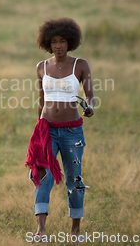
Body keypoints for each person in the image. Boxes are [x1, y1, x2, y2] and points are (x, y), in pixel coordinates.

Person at [28, 17, 95, 239]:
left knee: (74, 180)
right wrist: (38, 130)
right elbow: (41, 100)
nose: (58, 45)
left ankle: (75, 231)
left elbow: (90, 96)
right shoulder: (41, 67)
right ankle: (40, 230)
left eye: (63, 41)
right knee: (42, 176)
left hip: (71, 132)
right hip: (47, 130)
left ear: (70, 42)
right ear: (48, 43)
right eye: (54, 41)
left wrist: (90, 107)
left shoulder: (80, 65)